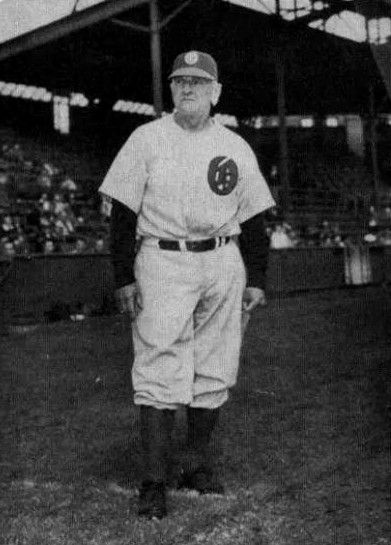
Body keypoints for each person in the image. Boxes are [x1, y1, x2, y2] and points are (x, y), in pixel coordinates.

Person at [99, 51, 275, 519]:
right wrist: (123, 276)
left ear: (216, 92)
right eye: (179, 81)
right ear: (171, 90)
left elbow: (255, 216)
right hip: (162, 259)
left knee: (215, 368)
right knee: (159, 367)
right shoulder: (147, 138)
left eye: (198, 81)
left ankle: (195, 468)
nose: (187, 88)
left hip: (223, 259)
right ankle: (154, 482)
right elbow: (122, 214)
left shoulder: (235, 145)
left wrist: (256, 277)